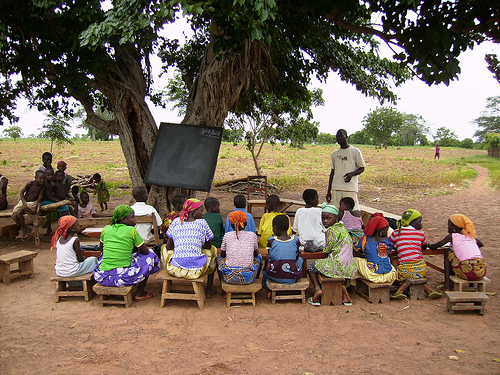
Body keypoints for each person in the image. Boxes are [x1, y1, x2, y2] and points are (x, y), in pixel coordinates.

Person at [93, 205, 160, 300]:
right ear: (124, 220)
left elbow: (101, 250)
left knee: (103, 255)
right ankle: (140, 293)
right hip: (123, 278)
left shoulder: (106, 229)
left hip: (102, 277)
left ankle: (111, 292)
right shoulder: (131, 230)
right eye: (132, 217)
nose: (135, 220)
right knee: (150, 256)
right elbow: (144, 251)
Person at [161, 198, 217, 297]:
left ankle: (167, 283)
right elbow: (208, 246)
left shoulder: (176, 222)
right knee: (213, 250)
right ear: (193, 212)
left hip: (175, 268)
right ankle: (209, 289)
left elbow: (169, 247)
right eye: (201, 210)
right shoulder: (203, 223)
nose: (203, 213)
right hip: (197, 269)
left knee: (163, 248)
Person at [307, 203, 357, 306]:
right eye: (323, 218)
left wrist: (323, 256)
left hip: (337, 265)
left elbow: (328, 249)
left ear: (336, 217)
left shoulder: (331, 230)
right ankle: (343, 290)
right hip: (349, 266)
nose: (325, 221)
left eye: (328, 218)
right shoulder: (342, 228)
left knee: (311, 267)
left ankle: (317, 289)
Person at [389, 209, 442, 299]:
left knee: (401, 271)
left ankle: (400, 290)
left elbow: (389, 244)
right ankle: (429, 290)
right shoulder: (421, 233)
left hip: (404, 269)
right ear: (412, 222)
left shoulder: (396, 232)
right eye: (420, 221)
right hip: (421, 268)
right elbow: (424, 247)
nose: (421, 224)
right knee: (415, 275)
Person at [428, 214, 486, 281]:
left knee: (449, 251)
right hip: (481, 272)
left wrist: (429, 244)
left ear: (455, 227)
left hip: (468, 274)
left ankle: (447, 284)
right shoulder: (470, 236)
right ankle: (471, 285)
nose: (448, 228)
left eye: (449, 226)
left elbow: (434, 247)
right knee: (469, 257)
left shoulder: (452, 236)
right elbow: (480, 244)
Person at [217, 211, 262, 285]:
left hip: (230, 277)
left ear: (232, 225)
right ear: (245, 223)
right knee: (259, 257)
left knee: (218, 258)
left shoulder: (227, 236)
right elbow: (256, 254)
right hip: (248, 277)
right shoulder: (252, 235)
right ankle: (255, 279)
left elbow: (222, 255)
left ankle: (222, 287)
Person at [326, 129, 366, 209]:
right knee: (337, 211)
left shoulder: (355, 151)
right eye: (337, 137)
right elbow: (332, 172)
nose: (339, 139)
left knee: (353, 211)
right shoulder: (334, 154)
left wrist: (351, 174)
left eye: (341, 136)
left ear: (346, 137)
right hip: (336, 187)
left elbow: (362, 168)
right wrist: (328, 191)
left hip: (349, 188)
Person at [353, 215, 396, 284]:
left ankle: (353, 283)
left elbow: (355, 251)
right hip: (389, 275)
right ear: (381, 231)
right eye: (386, 229)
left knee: (355, 259)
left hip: (373, 275)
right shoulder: (387, 240)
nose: (387, 231)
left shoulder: (365, 239)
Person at [262, 214, 303, 287]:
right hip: (292, 278)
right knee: (300, 259)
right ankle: (300, 275)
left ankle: (264, 282)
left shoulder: (271, 240)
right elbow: (297, 256)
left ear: (275, 228)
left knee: (268, 258)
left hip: (274, 276)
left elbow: (270, 255)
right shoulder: (295, 240)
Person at [11, 170, 45, 238]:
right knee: (14, 216)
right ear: (35, 178)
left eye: (44, 179)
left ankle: (23, 230)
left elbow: (40, 197)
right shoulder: (30, 184)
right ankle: (25, 227)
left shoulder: (42, 187)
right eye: (40, 178)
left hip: (32, 203)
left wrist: (38, 205)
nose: (42, 180)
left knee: (19, 213)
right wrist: (23, 202)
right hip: (24, 201)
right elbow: (21, 193)